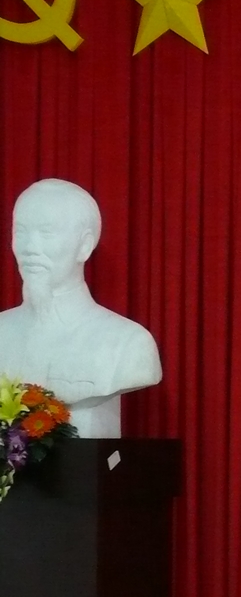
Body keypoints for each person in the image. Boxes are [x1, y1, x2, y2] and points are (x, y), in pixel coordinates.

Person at [0, 179, 161, 438]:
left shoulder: (127, 342)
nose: (29, 248)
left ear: (84, 245)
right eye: (20, 232)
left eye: (46, 233)